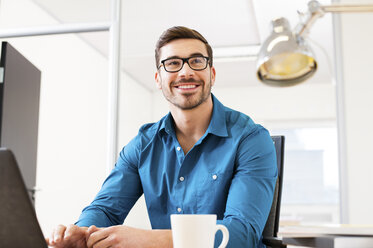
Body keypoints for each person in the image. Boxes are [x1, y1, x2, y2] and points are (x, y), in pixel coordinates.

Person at [46, 26, 277, 248]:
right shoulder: (142, 145)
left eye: (197, 61)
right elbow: (106, 210)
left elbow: (241, 235)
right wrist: (82, 232)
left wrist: (150, 241)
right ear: (158, 79)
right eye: (173, 63)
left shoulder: (252, 139)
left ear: (212, 74)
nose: (186, 72)